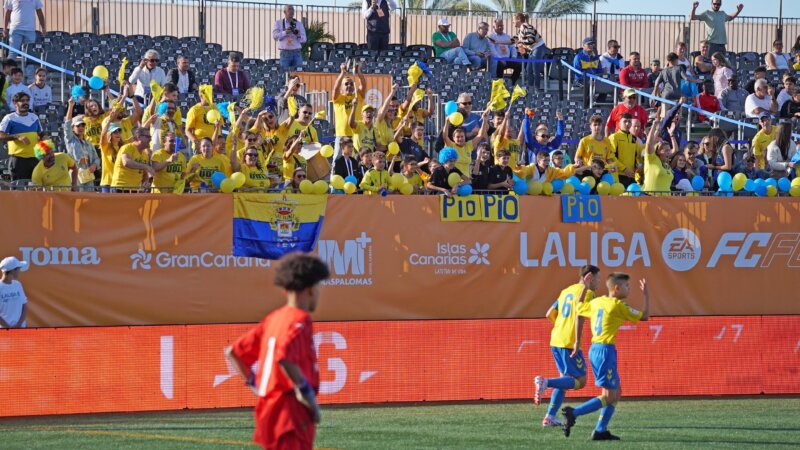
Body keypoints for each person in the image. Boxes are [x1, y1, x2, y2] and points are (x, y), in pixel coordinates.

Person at [225, 252, 328, 450]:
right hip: (290, 413)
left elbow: (234, 352)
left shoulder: (274, 318)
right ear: (310, 289)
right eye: (318, 286)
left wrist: (257, 385)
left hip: (269, 409)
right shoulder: (300, 320)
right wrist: (307, 397)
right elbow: (284, 356)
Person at [562, 273, 650, 441]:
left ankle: (600, 430)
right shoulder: (617, 305)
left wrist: (585, 288)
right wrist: (646, 294)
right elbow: (644, 316)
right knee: (610, 396)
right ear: (616, 288)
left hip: (596, 349)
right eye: (627, 286)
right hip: (605, 351)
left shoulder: (596, 302)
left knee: (616, 392)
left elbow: (579, 307)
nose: (629, 289)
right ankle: (573, 413)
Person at [533, 265, 599, 427]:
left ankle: (549, 418)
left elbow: (549, 313)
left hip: (556, 338)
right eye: (598, 278)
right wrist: (575, 338)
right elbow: (580, 316)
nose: (599, 282)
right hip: (570, 341)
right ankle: (545, 382)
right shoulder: (588, 293)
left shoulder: (565, 291)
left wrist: (561, 325)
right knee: (580, 381)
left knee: (565, 380)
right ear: (590, 276)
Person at [0, 91, 42, 180]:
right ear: (15, 103)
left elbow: (41, 133)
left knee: (35, 188)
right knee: (18, 189)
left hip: (34, 159)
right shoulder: (9, 118)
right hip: (18, 160)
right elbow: (1, 135)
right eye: (22, 101)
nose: (25, 103)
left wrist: (44, 137)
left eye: (27, 100)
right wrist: (17, 137)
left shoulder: (34, 117)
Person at [332, 63, 366, 162]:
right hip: (341, 135)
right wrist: (342, 73)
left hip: (356, 134)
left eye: (351, 84)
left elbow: (363, 83)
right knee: (337, 159)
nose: (349, 86)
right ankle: (335, 177)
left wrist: (359, 72)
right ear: (342, 88)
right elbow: (335, 88)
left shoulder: (358, 96)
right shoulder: (338, 99)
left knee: (356, 160)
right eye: (346, 84)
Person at [442, 105, 490, 176]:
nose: (460, 139)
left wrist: (484, 121)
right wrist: (446, 122)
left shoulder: (468, 145)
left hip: (466, 181)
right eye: (458, 137)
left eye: (462, 136)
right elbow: (445, 137)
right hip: (453, 181)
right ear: (453, 138)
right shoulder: (451, 145)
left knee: (468, 188)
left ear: (465, 137)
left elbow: (480, 135)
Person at [63, 112, 100, 191]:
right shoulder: (70, 140)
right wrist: (71, 105)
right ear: (72, 128)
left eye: (83, 125)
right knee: (76, 198)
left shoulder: (89, 144)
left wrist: (94, 165)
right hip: (75, 173)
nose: (81, 127)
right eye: (78, 126)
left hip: (88, 173)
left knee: (89, 199)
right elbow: (67, 126)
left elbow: (97, 158)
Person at [112, 127, 155, 192]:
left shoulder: (145, 154)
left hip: (135, 190)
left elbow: (144, 174)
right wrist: (146, 166)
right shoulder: (127, 147)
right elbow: (126, 162)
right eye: (148, 137)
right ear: (138, 137)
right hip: (121, 188)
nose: (150, 139)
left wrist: (146, 181)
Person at [642, 107, 674, 193]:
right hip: (650, 199)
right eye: (666, 150)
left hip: (665, 201)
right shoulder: (651, 159)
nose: (669, 152)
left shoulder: (666, 165)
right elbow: (649, 144)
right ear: (658, 151)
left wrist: (671, 135)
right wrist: (654, 127)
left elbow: (675, 150)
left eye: (669, 150)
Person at [514, 12, 548, 92]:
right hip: (533, 49)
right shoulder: (520, 31)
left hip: (538, 47)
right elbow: (513, 40)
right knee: (528, 69)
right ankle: (530, 89)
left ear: (518, 20)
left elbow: (531, 40)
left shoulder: (526, 26)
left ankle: (536, 90)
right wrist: (498, 42)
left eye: (514, 20)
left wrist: (520, 42)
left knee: (535, 69)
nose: (513, 22)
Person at [609, 113, 642, 187]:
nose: (627, 124)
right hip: (618, 175)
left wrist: (639, 166)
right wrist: (624, 169)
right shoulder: (614, 137)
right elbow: (611, 157)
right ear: (619, 123)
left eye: (629, 121)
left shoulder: (634, 138)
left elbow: (637, 156)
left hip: (631, 175)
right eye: (625, 121)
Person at [487, 19, 521, 84]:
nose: (500, 27)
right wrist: (500, 59)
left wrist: (514, 56)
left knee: (518, 65)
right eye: (498, 26)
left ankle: (511, 82)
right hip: (498, 60)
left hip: (507, 59)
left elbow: (512, 47)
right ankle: (500, 85)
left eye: (501, 26)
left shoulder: (507, 36)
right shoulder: (491, 37)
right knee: (500, 65)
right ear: (494, 27)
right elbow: (493, 50)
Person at [273, 4, 307, 70]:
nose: (291, 11)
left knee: (298, 75)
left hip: (297, 53)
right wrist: (285, 32)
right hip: (285, 53)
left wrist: (298, 35)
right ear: (284, 12)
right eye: (289, 9)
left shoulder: (298, 24)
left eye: (293, 10)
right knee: (284, 74)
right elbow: (275, 36)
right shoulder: (278, 23)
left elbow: (304, 39)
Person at [0, 256, 28, 329]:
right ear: (13, 271)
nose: (20, 270)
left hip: (20, 329)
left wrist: (19, 324)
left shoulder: (17, 284)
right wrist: (8, 327)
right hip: (3, 332)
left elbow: (24, 306)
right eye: (18, 268)